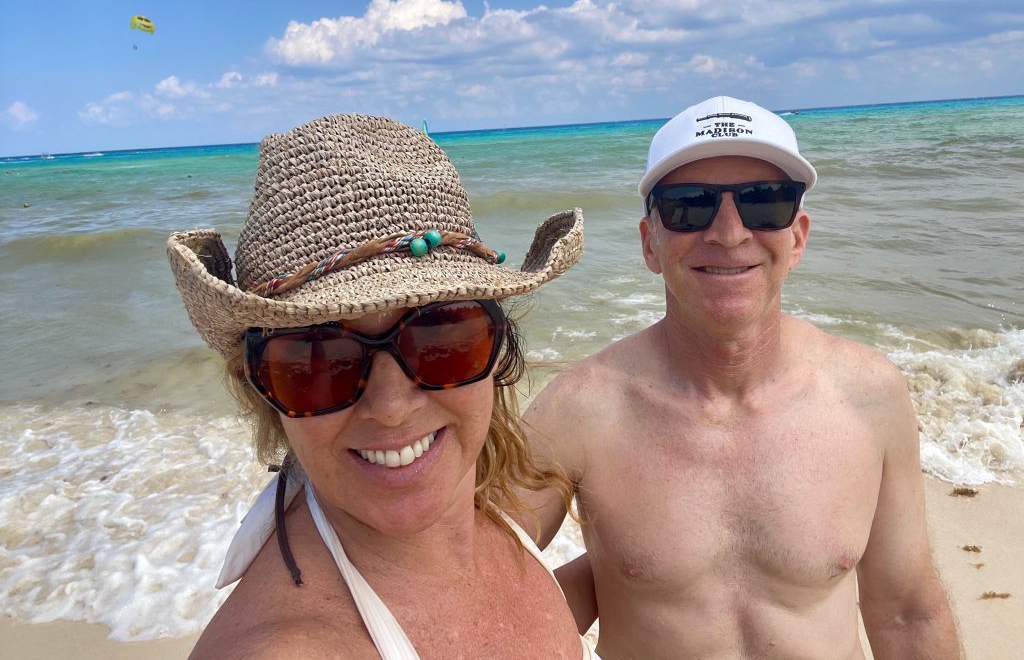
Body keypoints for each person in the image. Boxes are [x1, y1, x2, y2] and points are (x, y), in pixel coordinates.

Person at [519, 96, 960, 659]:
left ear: (797, 237)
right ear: (651, 243)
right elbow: (468, 583)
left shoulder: (868, 394)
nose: (729, 233)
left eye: (763, 202)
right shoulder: (579, 410)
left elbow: (907, 612)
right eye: (689, 206)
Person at [167, 113, 599, 659]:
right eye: (318, 361)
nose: (392, 407)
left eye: (441, 337)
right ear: (262, 388)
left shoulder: (492, 513)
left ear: (497, 351)